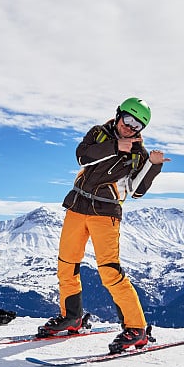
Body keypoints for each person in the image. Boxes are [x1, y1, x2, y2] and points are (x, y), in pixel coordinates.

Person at [38, 97, 170, 353]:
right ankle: (71, 317)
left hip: (105, 213)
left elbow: (136, 190)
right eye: (128, 120)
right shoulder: (98, 134)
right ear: (119, 114)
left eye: (137, 125)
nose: (130, 128)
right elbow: (82, 157)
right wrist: (115, 146)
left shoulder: (138, 154)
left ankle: (136, 328)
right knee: (67, 264)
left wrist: (152, 167)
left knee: (109, 271)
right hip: (77, 207)